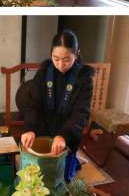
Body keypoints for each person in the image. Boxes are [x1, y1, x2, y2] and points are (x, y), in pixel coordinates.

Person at [15, 30, 94, 182]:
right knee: (36, 175)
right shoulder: (45, 71)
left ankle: (73, 161)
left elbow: (81, 113)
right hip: (43, 129)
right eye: (56, 58)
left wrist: (64, 135)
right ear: (51, 54)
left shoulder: (84, 78)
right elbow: (34, 103)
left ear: (76, 54)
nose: (61, 65)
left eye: (67, 59)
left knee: (62, 179)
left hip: (68, 134)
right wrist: (30, 128)